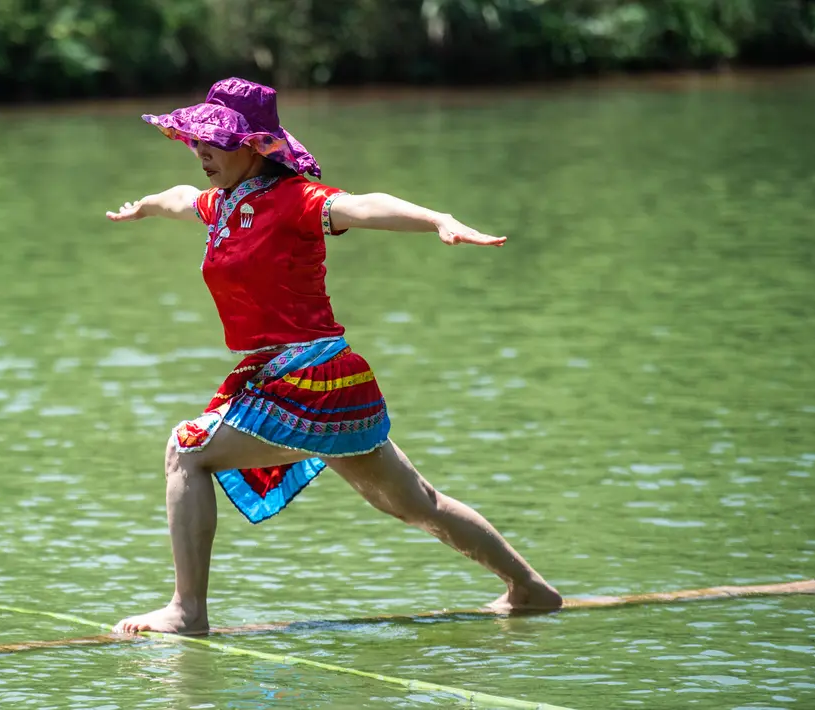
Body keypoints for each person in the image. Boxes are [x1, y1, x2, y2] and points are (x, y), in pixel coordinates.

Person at [104, 77, 562, 636]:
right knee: (413, 503)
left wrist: (437, 219)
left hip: (311, 375)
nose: (201, 151)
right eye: (196, 139)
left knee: (186, 449)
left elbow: (364, 205)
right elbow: (178, 198)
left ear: (253, 145)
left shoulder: (297, 201)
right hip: (299, 376)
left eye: (214, 140)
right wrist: (145, 208)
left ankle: (187, 611)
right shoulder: (222, 203)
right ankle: (531, 589)